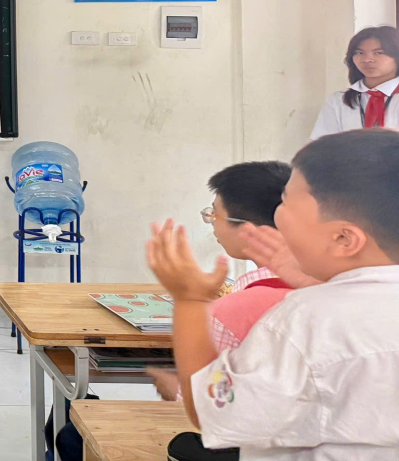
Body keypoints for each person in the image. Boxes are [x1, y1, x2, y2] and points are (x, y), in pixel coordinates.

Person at [147, 129, 399, 459]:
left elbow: (214, 411)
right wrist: (319, 284)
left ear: (344, 239)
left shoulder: (305, 320)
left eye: (287, 204)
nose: (276, 216)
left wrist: (190, 301)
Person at [148, 161, 293, 401]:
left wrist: (170, 386)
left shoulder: (234, 310)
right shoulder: (333, 285)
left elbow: (206, 401)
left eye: (214, 214)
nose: (212, 221)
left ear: (247, 230)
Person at [310, 25, 399, 138]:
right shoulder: (338, 101)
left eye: (378, 53)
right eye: (359, 53)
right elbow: (323, 144)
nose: (367, 59)